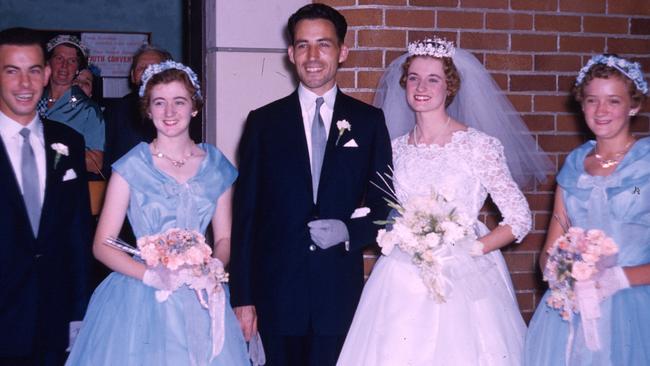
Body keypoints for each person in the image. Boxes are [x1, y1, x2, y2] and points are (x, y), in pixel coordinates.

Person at [337, 37, 552, 365]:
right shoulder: (394, 149)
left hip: (462, 278)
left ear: (449, 86)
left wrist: (470, 250)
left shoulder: (477, 146)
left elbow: (519, 217)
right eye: (414, 78)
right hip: (402, 275)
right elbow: (382, 207)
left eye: (433, 79)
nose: (421, 87)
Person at [229, 3, 393, 365]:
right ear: (291, 54)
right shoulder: (263, 123)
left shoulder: (368, 122)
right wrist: (242, 298)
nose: (313, 56)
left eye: (324, 44)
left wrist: (350, 230)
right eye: (303, 45)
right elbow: (245, 217)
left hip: (337, 296)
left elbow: (386, 211)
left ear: (343, 52)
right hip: (276, 297)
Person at [65, 61, 249, 365]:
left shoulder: (216, 164)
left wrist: (214, 265)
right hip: (142, 295)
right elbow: (102, 244)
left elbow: (225, 237)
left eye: (179, 101)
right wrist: (152, 276)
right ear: (148, 110)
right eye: (159, 103)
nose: (169, 112)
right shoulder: (130, 166)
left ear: (195, 107)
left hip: (199, 293)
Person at [524, 54, 650, 365]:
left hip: (633, 305)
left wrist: (620, 277)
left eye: (613, 101)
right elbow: (551, 246)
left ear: (633, 106)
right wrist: (561, 274)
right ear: (582, 106)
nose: (601, 110)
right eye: (592, 100)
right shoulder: (573, 166)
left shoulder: (645, 169)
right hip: (573, 307)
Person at [0, 27, 92, 366]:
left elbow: (78, 235)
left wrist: (80, 315)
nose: (25, 84)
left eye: (34, 70)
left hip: (53, 322)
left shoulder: (69, 142)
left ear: (47, 74)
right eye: (12, 71)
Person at [39, 34, 105, 175]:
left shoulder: (88, 109)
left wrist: (53, 150)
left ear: (77, 69)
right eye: (59, 58)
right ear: (48, 63)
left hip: (65, 184)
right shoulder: (31, 101)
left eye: (72, 60)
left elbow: (96, 163)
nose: (64, 65)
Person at [103, 44, 172, 172]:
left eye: (154, 68)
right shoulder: (116, 111)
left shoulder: (179, 110)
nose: (148, 73)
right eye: (142, 68)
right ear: (133, 75)